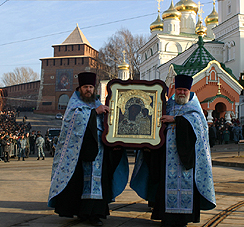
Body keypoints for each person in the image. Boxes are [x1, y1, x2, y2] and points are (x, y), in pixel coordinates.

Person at [131, 75, 216, 227]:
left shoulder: (194, 107)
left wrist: (176, 120)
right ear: (175, 90)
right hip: (166, 158)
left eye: (184, 90)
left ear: (189, 90)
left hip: (187, 158)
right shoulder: (167, 105)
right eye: (179, 90)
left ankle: (184, 219)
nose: (182, 93)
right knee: (164, 185)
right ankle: (166, 217)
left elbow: (199, 126)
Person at [48, 72, 129, 226]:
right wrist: (93, 113)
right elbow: (74, 123)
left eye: (91, 87)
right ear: (80, 88)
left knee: (98, 182)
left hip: (100, 152)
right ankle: (82, 212)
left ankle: (96, 214)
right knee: (80, 182)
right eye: (86, 87)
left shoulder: (98, 103)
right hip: (80, 153)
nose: (89, 90)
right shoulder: (74, 105)